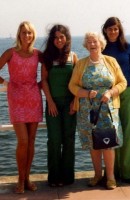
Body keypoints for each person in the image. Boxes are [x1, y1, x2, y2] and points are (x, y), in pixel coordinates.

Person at [69, 32, 127, 190]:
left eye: (94, 41)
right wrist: (86, 93)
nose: (92, 44)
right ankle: (97, 175)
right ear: (86, 45)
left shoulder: (111, 61)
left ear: (101, 43)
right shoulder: (81, 64)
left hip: (108, 110)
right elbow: (72, 86)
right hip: (88, 111)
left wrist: (110, 92)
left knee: (108, 143)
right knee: (93, 143)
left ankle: (110, 177)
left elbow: (123, 82)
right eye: (89, 41)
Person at [0, 21, 43, 194]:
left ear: (33, 35)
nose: (27, 35)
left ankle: (27, 178)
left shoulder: (37, 54)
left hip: (33, 99)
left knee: (31, 141)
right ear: (19, 35)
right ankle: (20, 178)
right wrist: (5, 83)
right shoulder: (11, 53)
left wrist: (38, 86)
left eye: (30, 33)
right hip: (16, 98)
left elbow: (50, 74)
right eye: (24, 32)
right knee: (23, 141)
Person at [102, 17, 130, 185]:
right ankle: (113, 172)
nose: (113, 32)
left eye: (116, 29)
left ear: (120, 30)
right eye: (110, 29)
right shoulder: (102, 48)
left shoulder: (127, 47)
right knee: (112, 131)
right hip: (109, 93)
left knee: (129, 130)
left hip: (127, 91)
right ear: (105, 30)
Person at [41, 24, 78, 187]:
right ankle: (54, 177)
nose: (59, 40)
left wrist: (75, 101)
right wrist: (50, 102)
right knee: (54, 140)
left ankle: (68, 177)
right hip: (53, 105)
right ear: (52, 40)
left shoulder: (73, 57)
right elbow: (43, 81)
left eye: (61, 37)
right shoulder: (47, 58)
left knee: (69, 140)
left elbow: (78, 82)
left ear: (67, 38)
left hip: (70, 105)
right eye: (55, 37)